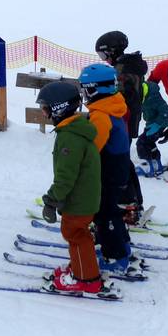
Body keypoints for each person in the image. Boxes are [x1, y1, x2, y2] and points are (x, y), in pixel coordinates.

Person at [36, 81, 117, 296]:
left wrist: (51, 200)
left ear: (58, 108)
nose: (44, 113)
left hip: (79, 200)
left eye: (45, 108)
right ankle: (81, 266)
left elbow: (65, 178)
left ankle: (86, 279)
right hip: (84, 196)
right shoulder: (75, 129)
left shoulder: (69, 138)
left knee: (75, 234)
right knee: (78, 235)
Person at [77, 62, 135, 273]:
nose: (84, 94)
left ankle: (116, 257)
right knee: (110, 210)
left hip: (109, 171)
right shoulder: (112, 105)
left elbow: (94, 147)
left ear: (95, 89)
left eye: (86, 89)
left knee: (104, 214)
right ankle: (122, 245)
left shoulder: (101, 115)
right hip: (117, 168)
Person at [94, 31, 149, 221]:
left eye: (103, 55)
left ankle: (127, 204)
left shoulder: (123, 70)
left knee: (117, 164)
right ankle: (133, 201)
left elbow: (120, 97)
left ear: (112, 51)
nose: (104, 60)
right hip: (127, 120)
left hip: (122, 121)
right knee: (123, 161)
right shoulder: (128, 66)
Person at [135, 79, 168, 177]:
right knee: (149, 143)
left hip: (159, 124)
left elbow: (165, 110)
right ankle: (157, 164)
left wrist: (157, 125)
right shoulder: (141, 93)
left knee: (141, 143)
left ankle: (146, 166)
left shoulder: (153, 95)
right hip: (151, 123)